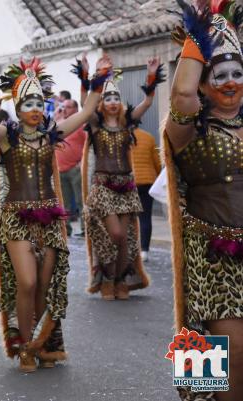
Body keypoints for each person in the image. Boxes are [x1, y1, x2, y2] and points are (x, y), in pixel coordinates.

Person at [0, 54, 112, 372]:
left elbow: (85, 112)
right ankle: (25, 346)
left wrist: (98, 79)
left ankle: (41, 345)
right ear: (17, 108)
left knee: (44, 284)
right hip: (16, 219)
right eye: (28, 104)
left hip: (50, 219)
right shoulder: (7, 137)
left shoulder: (51, 134)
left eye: (39, 103)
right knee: (26, 282)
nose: (35, 110)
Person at [165, 1, 243, 400]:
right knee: (227, 366)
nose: (230, 83)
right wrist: (203, 28)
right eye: (220, 75)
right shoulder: (188, 131)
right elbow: (179, 92)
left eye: (237, 74)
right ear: (204, 84)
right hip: (213, 262)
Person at [81, 54, 164, 301]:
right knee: (115, 234)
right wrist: (92, 76)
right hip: (103, 187)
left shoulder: (128, 123)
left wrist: (151, 76)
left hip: (126, 187)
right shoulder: (96, 124)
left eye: (116, 97)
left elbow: (148, 102)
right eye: (108, 97)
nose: (113, 101)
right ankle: (106, 278)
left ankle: (119, 281)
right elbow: (85, 103)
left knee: (126, 241)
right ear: (102, 102)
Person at [55, 99, 87, 236]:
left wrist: (82, 162)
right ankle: (65, 229)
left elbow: (88, 143)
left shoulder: (80, 124)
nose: (65, 109)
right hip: (59, 169)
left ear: (75, 109)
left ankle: (85, 229)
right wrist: (57, 116)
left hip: (75, 169)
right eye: (64, 107)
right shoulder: (59, 123)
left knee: (81, 201)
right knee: (63, 203)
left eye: (68, 107)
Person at [131, 128, 161, 262]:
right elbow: (157, 162)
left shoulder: (120, 137)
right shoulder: (148, 137)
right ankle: (144, 251)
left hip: (127, 183)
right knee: (145, 217)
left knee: (128, 218)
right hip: (147, 182)